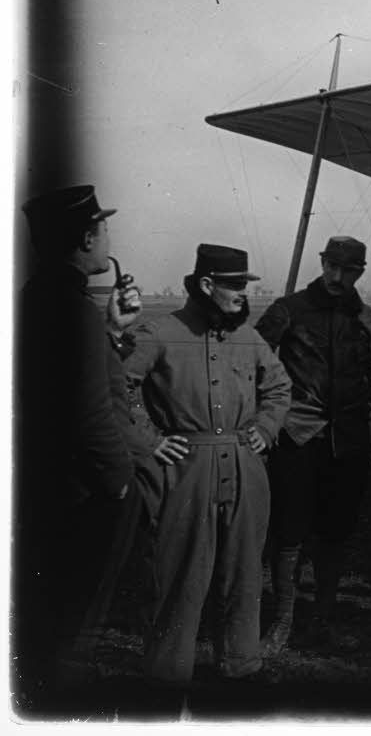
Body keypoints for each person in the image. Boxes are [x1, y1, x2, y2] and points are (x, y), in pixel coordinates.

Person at [13, 185, 156, 710]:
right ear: (88, 238)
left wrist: (112, 332)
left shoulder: (39, 297)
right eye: (104, 228)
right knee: (74, 620)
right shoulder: (72, 309)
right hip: (84, 493)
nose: (109, 238)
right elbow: (91, 415)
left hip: (47, 487)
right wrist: (119, 482)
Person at [124, 243, 291, 687]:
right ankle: (167, 677)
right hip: (185, 472)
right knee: (180, 575)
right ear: (206, 284)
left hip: (245, 469)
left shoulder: (249, 337)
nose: (242, 294)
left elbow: (279, 387)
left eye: (244, 285)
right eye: (234, 285)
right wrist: (148, 442)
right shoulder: (161, 332)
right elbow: (115, 389)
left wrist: (266, 427)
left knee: (244, 574)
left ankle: (241, 667)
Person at [255, 235, 371, 654]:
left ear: (359, 273)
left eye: (347, 270)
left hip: (348, 444)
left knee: (335, 533)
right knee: (289, 533)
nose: (336, 276)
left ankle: (323, 621)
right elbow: (253, 363)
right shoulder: (288, 310)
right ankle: (281, 622)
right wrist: (266, 421)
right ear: (322, 263)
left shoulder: (366, 319)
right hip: (296, 437)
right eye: (331, 266)